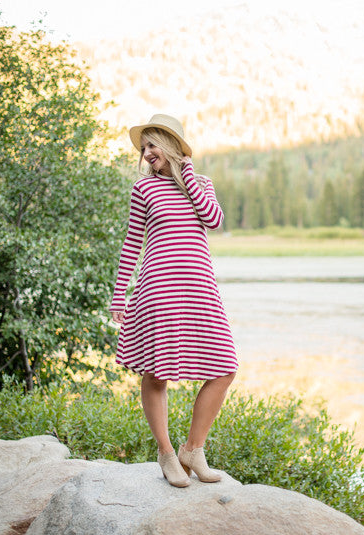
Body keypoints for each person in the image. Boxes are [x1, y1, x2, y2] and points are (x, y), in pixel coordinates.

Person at [109, 114, 237, 487]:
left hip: (200, 289)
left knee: (226, 367)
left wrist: (189, 176)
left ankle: (193, 450)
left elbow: (214, 220)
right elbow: (132, 243)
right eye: (143, 146)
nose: (147, 152)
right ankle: (166, 454)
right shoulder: (144, 189)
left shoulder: (202, 184)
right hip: (158, 288)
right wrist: (119, 294)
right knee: (157, 371)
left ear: (172, 146)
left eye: (153, 144)